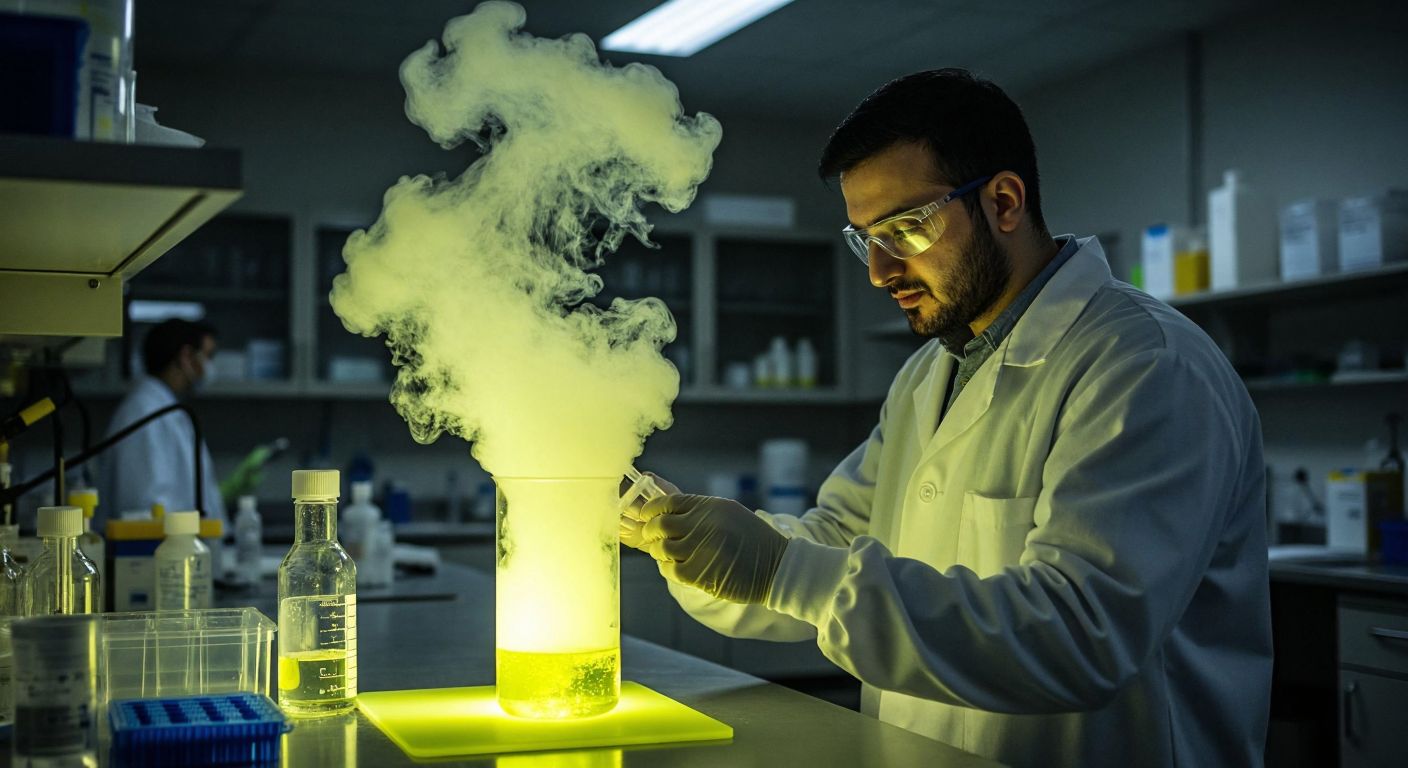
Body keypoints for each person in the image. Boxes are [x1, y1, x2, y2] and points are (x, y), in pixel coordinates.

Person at [621, 69, 1271, 768]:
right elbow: (836, 541)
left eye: (904, 228)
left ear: (1004, 201)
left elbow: (1083, 638)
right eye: (864, 236)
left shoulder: (1145, 364)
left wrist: (782, 570)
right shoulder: (930, 375)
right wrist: (686, 540)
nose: (877, 269)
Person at [100, 319, 228, 523]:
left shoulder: (166, 409)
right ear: (186, 356)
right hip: (158, 550)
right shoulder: (144, 412)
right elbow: (143, 506)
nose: (209, 367)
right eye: (207, 356)